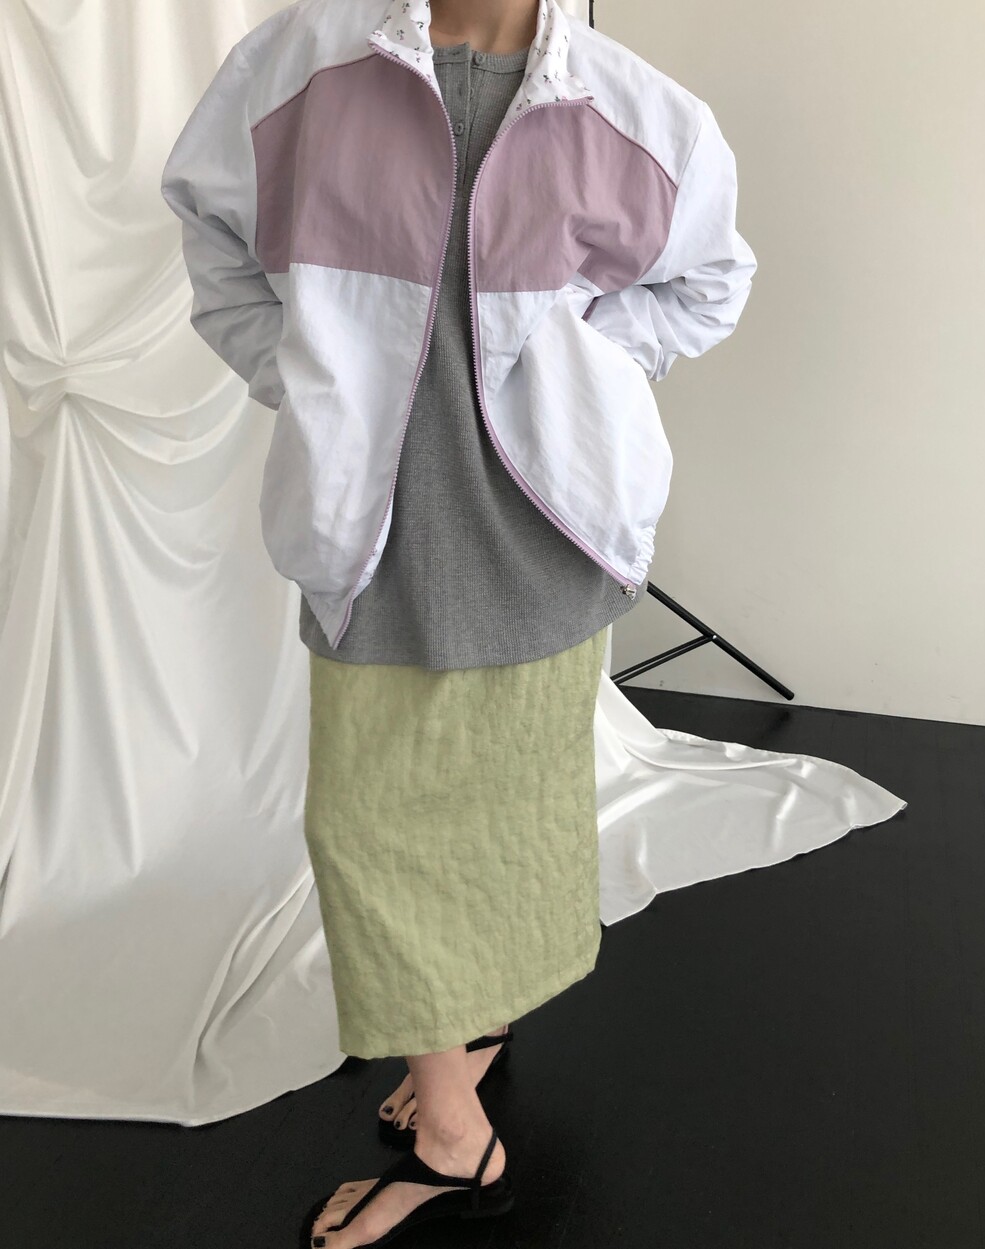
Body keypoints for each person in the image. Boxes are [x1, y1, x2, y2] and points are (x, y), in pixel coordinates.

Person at [160, 0, 756, 1244]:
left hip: (545, 527)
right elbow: (212, 234)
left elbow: (710, 280)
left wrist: (588, 371)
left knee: (513, 805)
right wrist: (300, 376)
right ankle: (452, 1059)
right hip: (373, 526)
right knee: (367, 822)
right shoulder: (298, 68)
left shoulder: (637, 112)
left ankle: (453, 1116)